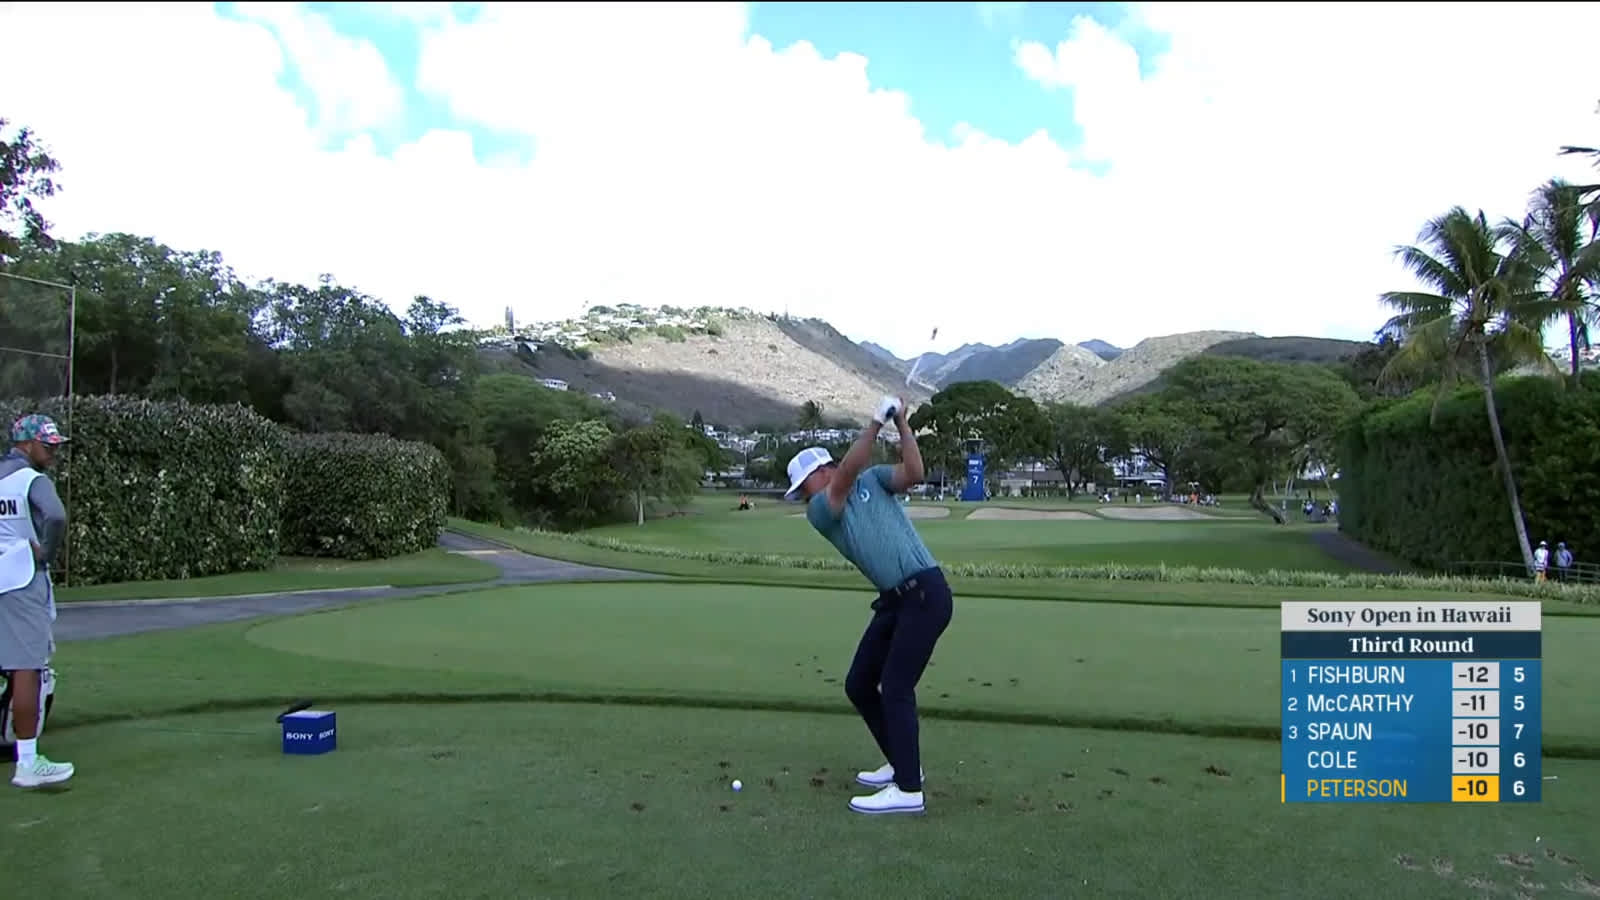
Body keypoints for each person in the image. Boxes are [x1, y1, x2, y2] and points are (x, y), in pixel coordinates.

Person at [784, 395, 952, 815]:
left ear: (818, 473)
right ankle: (901, 763)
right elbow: (847, 474)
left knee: (895, 686)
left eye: (803, 485)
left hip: (924, 594)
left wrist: (903, 426)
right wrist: (876, 422)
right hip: (897, 601)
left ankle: (909, 789)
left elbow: (915, 472)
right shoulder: (822, 510)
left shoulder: (875, 479)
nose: (803, 496)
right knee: (860, 683)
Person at [0, 413, 74, 788]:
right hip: (20, 578)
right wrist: (45, 553)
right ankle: (27, 762)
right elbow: (57, 517)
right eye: (48, 446)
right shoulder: (31, 480)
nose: (53, 452)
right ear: (26, 444)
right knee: (25, 666)